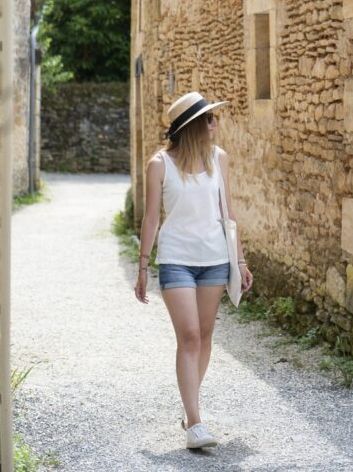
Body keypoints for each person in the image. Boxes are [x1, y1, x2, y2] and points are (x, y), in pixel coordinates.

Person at [134, 91, 253, 450]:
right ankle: (196, 424)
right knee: (188, 336)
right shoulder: (159, 164)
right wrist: (142, 266)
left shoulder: (220, 160)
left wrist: (241, 260)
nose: (215, 124)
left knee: (204, 334)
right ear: (193, 126)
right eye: (209, 119)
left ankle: (190, 407)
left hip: (215, 259)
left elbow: (227, 213)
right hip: (176, 260)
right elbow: (152, 217)